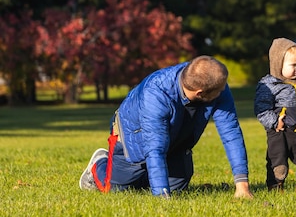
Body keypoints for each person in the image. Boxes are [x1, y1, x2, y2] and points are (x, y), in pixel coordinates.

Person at [79, 55, 253, 199]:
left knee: (177, 189)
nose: (224, 92)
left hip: (176, 136)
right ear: (200, 93)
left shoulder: (215, 82)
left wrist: (242, 186)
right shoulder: (156, 92)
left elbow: (231, 132)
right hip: (133, 138)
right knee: (115, 189)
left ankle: (150, 177)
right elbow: (155, 148)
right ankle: (99, 164)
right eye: (220, 91)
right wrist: (162, 198)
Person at [254, 38, 296, 192]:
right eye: (293, 65)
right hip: (280, 132)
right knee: (278, 165)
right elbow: (261, 109)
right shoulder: (269, 84)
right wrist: (274, 122)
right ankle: (275, 187)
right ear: (278, 64)